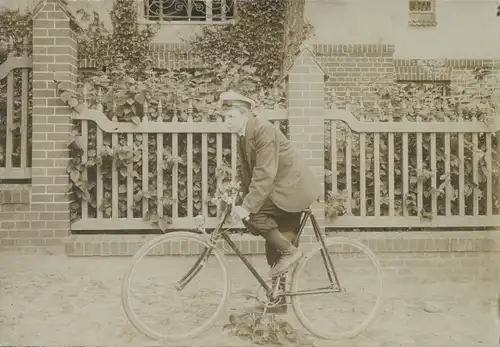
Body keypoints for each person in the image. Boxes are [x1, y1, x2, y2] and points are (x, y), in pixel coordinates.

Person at [220, 90, 322, 314]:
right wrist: (239, 196)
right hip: (282, 190)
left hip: (292, 191)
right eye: (224, 117)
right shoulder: (244, 134)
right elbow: (250, 174)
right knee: (273, 244)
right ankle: (279, 301)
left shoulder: (262, 130)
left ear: (245, 114)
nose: (225, 122)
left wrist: (246, 206)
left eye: (230, 117)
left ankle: (291, 252)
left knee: (255, 215)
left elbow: (265, 173)